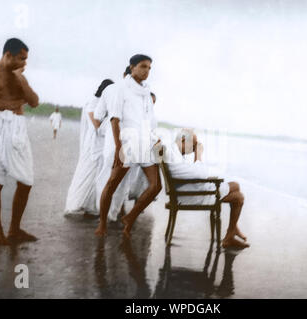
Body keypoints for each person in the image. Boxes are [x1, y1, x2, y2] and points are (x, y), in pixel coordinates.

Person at [0, 38, 39, 245]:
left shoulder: (20, 77)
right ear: (7, 55)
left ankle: (14, 229)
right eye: (21, 58)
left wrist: (21, 81)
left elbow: (34, 101)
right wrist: (17, 103)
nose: (24, 63)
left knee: (26, 181)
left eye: (26, 59)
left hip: (18, 129)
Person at [95, 54, 162, 238]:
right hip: (126, 142)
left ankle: (130, 217)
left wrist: (154, 140)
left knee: (156, 186)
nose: (146, 71)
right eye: (143, 66)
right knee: (112, 184)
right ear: (132, 67)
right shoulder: (120, 89)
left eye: (149, 68)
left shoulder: (147, 93)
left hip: (144, 143)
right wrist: (118, 148)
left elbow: (148, 120)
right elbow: (115, 119)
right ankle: (102, 223)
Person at [165, 129, 249, 249]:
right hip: (189, 196)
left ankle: (233, 229)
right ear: (183, 140)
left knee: (235, 185)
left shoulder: (173, 152)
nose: (193, 149)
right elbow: (201, 175)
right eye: (193, 145)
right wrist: (198, 154)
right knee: (239, 197)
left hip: (186, 191)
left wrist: (195, 153)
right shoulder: (174, 157)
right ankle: (230, 236)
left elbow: (194, 173)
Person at [64, 79, 114, 216]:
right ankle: (75, 204)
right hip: (91, 145)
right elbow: (97, 124)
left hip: (101, 144)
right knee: (85, 173)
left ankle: (90, 207)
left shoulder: (104, 105)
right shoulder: (92, 103)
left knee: (97, 175)